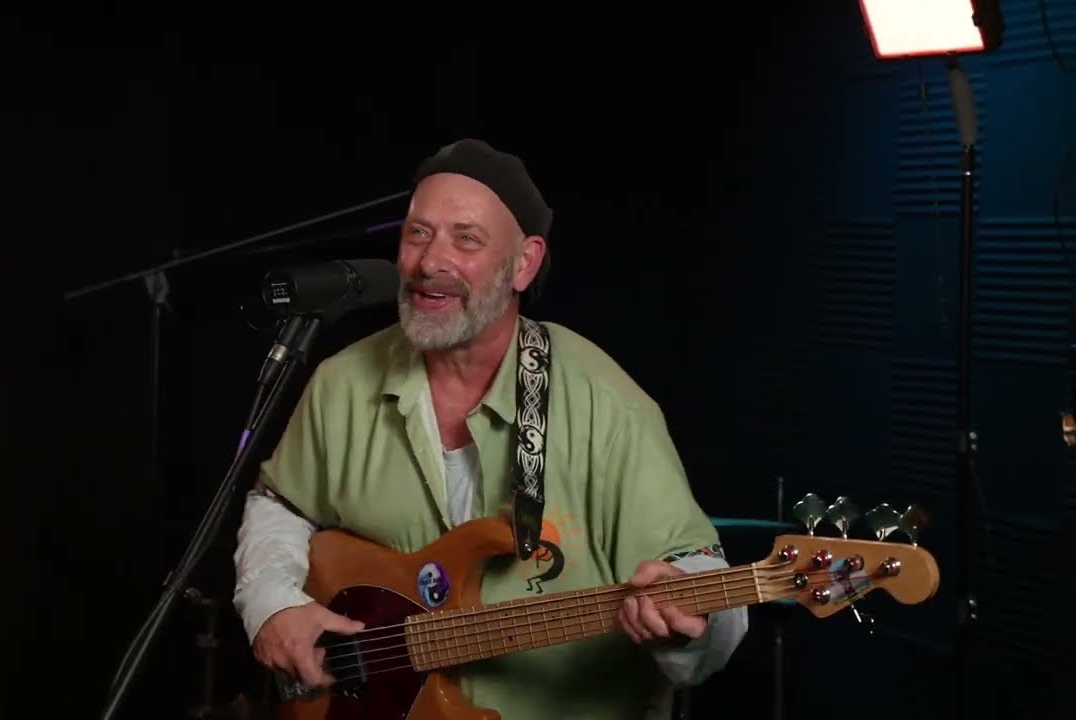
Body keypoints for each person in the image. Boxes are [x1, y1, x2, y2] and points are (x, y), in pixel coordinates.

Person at [232, 138, 748, 719]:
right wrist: (273, 604)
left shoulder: (607, 403)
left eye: (466, 238)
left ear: (523, 263)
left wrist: (687, 627)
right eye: (418, 233)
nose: (431, 262)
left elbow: (702, 576)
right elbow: (280, 502)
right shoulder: (341, 383)